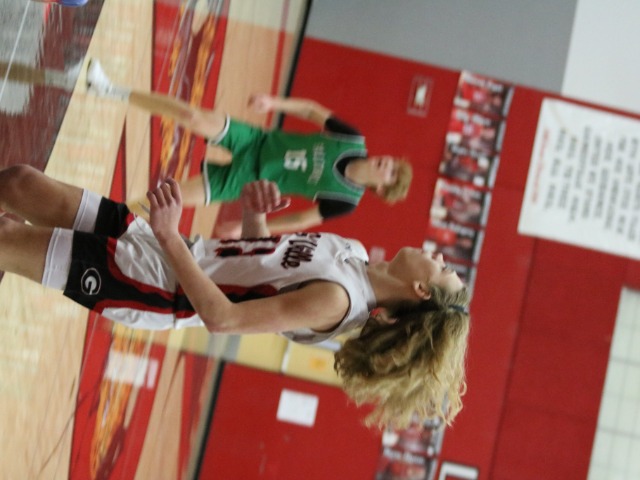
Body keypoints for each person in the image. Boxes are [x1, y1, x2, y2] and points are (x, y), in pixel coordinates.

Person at [0, 164, 468, 428]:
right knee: (19, 183)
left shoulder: (338, 301)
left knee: (6, 240)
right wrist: (253, 214)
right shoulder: (355, 253)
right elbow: (258, 267)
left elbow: (224, 318)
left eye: (444, 269)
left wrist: (169, 237)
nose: (440, 257)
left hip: (156, 285)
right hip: (169, 248)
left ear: (420, 290)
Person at [85, 59, 413, 233]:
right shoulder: (351, 139)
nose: (387, 164)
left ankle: (96, 224)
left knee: (162, 203)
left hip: (248, 183)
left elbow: (300, 221)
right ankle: (108, 88)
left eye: (391, 173)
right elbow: (311, 110)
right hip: (257, 141)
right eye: (392, 163)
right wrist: (273, 102)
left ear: (381, 189)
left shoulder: (345, 201)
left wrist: (253, 227)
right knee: (191, 116)